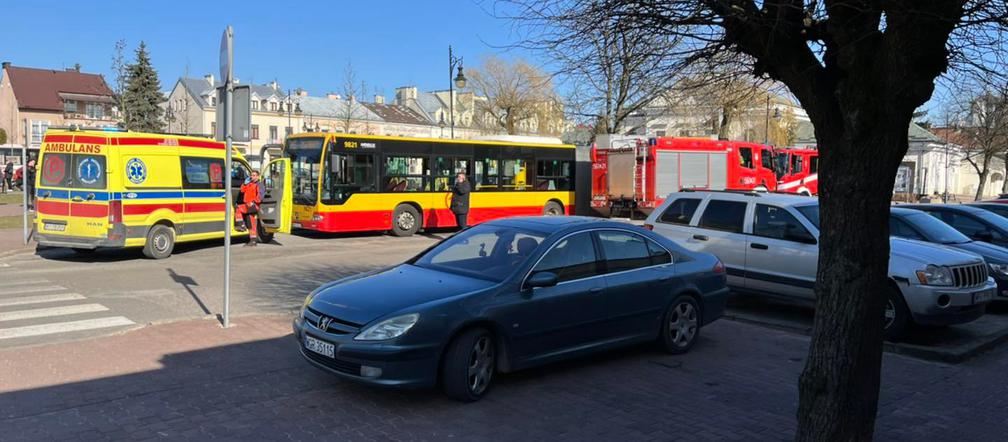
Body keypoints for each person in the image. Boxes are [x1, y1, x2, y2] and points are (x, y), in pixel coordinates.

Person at [235, 170, 264, 246]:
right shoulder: (249, 184)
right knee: (251, 223)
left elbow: (260, 196)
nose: (252, 177)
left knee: (238, 208)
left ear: (258, 176)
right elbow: (242, 190)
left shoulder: (259, 184)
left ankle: (241, 225)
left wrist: (254, 202)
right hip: (248, 205)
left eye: (254, 175)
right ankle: (253, 241)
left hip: (253, 205)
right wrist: (244, 184)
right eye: (251, 175)